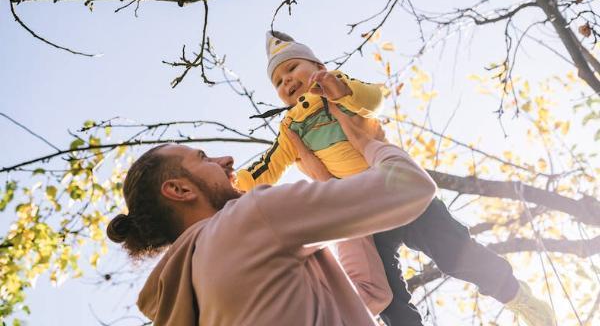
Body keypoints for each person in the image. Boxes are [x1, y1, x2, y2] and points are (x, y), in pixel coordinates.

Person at [234, 30, 555, 326]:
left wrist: (340, 89)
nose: (286, 81)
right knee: (382, 296)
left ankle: (515, 294)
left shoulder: (337, 89)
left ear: (316, 64)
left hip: (393, 188)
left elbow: (373, 99)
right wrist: (233, 186)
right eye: (277, 81)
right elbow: (267, 167)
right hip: (361, 217)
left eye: (291, 68)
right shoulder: (291, 128)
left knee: (454, 253)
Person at [106, 102, 438, 326]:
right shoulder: (249, 217)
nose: (226, 160)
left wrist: (326, 183)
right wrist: (368, 141)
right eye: (204, 158)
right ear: (180, 190)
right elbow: (409, 186)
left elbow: (366, 295)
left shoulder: (194, 298)